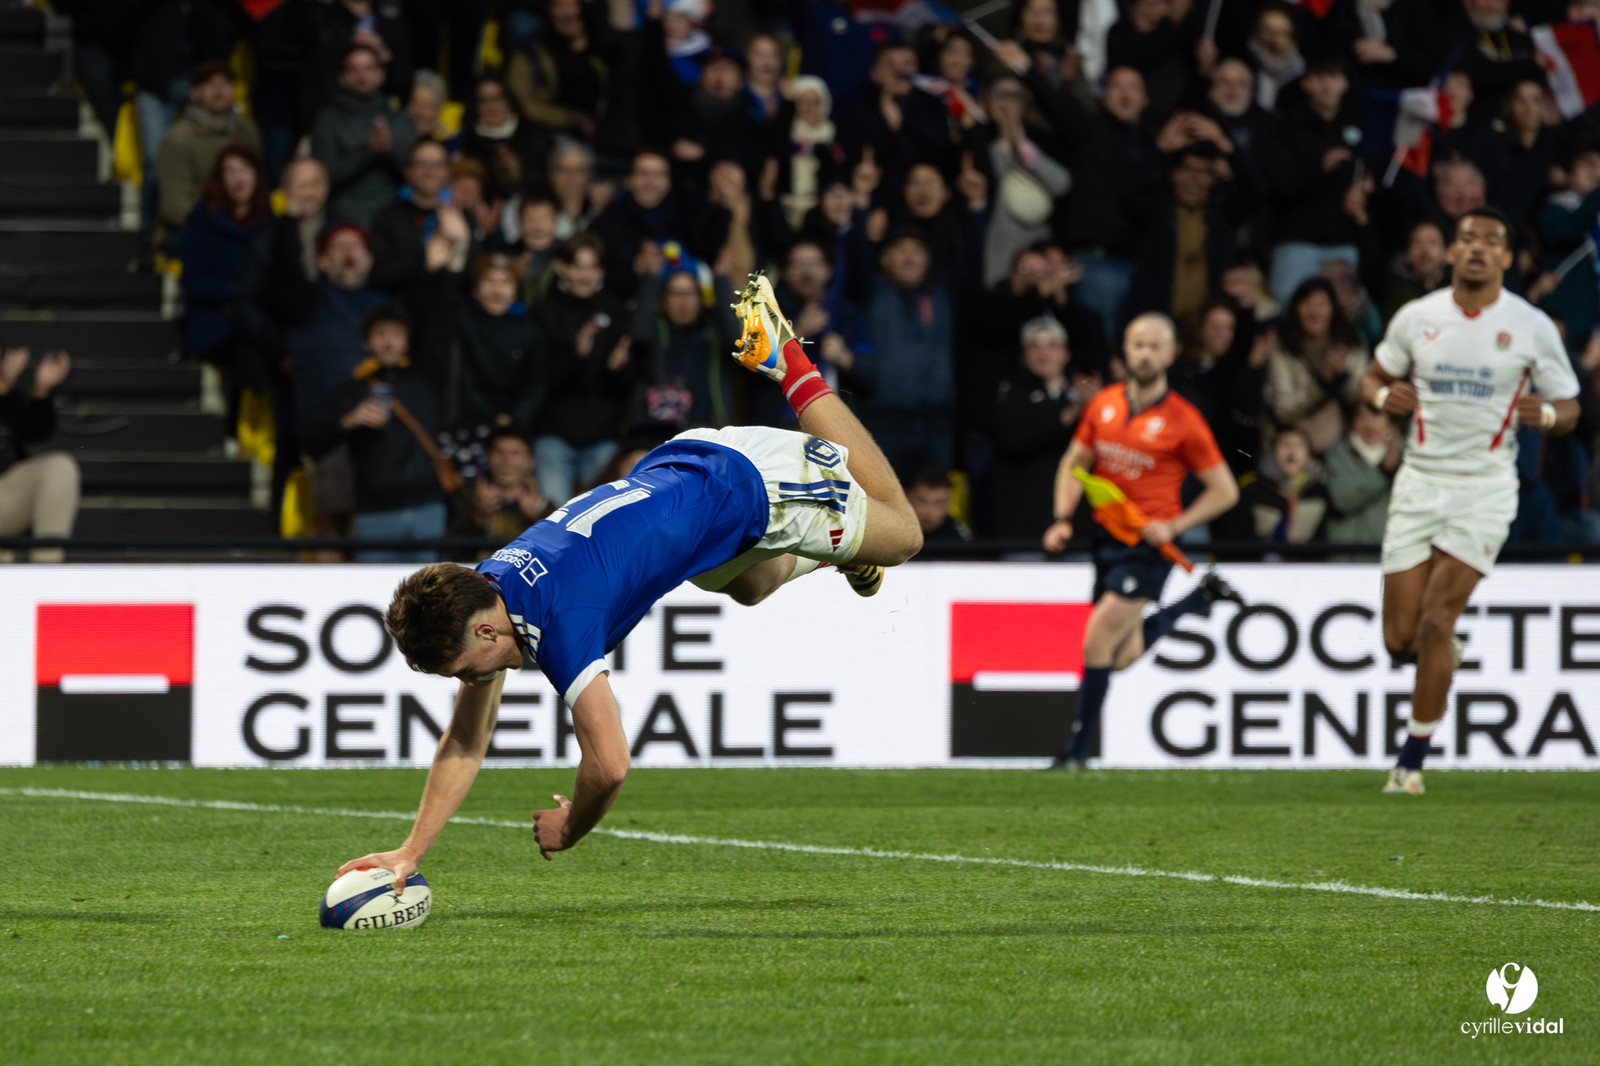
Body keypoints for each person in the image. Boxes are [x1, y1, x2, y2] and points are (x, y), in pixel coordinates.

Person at [333, 275, 922, 882]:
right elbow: (465, 740)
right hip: (679, 475)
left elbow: (609, 766)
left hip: (751, 487)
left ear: (483, 633)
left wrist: (571, 826)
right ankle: (841, 552)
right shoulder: (488, 587)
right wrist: (410, 852)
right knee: (751, 586)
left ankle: (790, 362)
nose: (470, 682)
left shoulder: (561, 624)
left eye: (461, 670)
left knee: (903, 534)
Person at [1360, 206, 1581, 795]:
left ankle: (1410, 763)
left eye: (1492, 241)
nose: (1479, 248)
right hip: (1417, 484)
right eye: (1468, 239)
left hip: (1485, 488)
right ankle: (1443, 653)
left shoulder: (1530, 324)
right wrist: (1384, 396)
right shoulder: (1417, 317)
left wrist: (1553, 414)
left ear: (1508, 258)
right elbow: (1370, 377)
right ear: (1452, 252)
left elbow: (1573, 406)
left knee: (1437, 617)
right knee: (1397, 639)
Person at [1041, 314, 1244, 769]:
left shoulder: (1185, 421)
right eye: (1138, 345)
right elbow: (1076, 460)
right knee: (1121, 657)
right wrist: (1062, 518)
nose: (1146, 353)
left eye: (1155, 346)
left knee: (1096, 642)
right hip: (1105, 538)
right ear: (1125, 352)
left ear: (1171, 355)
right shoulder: (1104, 405)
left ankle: (1075, 754)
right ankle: (1195, 603)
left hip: (1150, 548)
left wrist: (1174, 527)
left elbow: (1224, 491)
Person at [310, 45, 418, 228]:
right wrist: (369, 150)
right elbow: (325, 176)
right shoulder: (328, 119)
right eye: (354, 69)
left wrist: (387, 150)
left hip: (394, 218)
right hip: (344, 220)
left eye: (369, 68)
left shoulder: (400, 119)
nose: (362, 76)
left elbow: (416, 173)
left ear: (382, 74)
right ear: (341, 77)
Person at [155, 60, 262, 240]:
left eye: (226, 83)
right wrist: (224, 225)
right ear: (194, 93)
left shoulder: (247, 130)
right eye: (209, 84)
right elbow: (174, 208)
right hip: (191, 232)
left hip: (240, 228)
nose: (219, 90)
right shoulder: (178, 139)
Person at [0, 342, 77, 562]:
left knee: (60, 468)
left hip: (6, 497)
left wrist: (42, 388)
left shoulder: (9, 402)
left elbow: (37, 430)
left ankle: (45, 576)